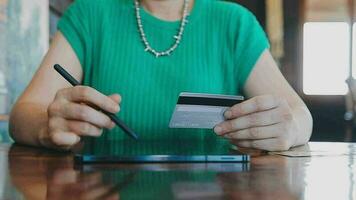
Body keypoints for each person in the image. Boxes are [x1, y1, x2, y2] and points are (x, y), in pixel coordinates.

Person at [9, 0, 313, 152]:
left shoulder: (234, 23)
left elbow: (299, 115)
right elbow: (23, 115)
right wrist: (47, 127)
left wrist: (290, 127)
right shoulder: (89, 14)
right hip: (103, 190)